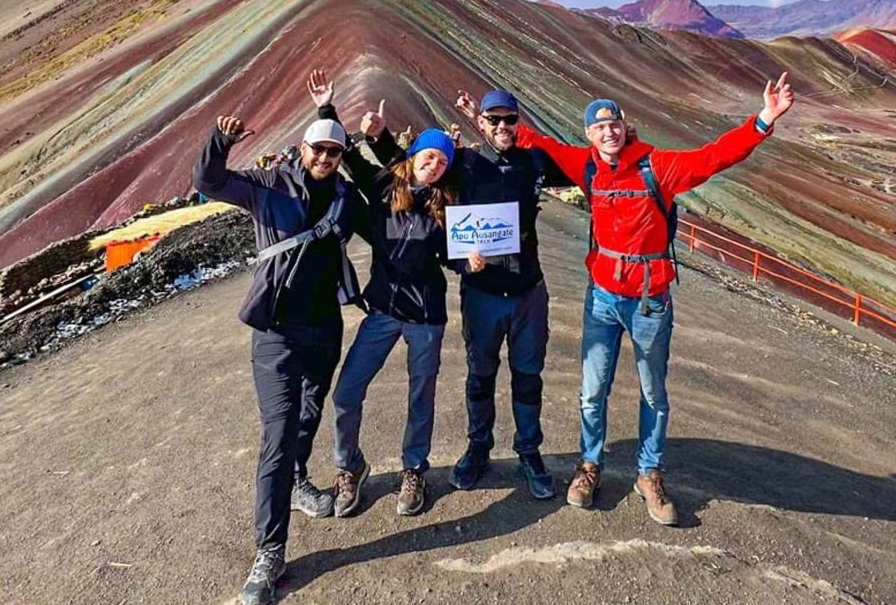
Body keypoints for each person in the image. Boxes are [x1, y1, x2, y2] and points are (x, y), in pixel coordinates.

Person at [508, 73, 796, 526]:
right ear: (589, 135)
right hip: (602, 295)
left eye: (614, 123)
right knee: (591, 391)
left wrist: (764, 119)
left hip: (649, 300)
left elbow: (714, 157)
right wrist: (485, 121)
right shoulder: (585, 166)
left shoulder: (656, 166)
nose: (608, 131)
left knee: (653, 392)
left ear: (625, 127)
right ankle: (589, 466)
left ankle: (649, 473)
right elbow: (538, 142)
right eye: (599, 127)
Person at [192, 107, 367, 605]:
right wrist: (218, 143)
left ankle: (298, 478)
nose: (326, 158)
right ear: (302, 148)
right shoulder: (267, 185)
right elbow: (209, 181)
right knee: (278, 430)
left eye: (335, 151)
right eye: (319, 149)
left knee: (311, 411)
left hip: (323, 327)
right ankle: (270, 552)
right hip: (276, 333)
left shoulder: (344, 197)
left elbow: (382, 223)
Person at [306, 70, 473, 519]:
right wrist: (327, 108)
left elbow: (452, 256)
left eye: (442, 160)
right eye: (428, 155)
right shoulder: (383, 187)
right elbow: (349, 161)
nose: (433, 164)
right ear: (414, 155)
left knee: (421, 395)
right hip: (382, 310)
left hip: (426, 317)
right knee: (347, 393)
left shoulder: (447, 204)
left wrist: (469, 262)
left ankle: (414, 469)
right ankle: (349, 466)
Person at [417, 88, 571, 499]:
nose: (503, 127)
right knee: (480, 375)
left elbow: (586, 166)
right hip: (482, 292)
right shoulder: (464, 163)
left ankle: (529, 451)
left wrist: (625, 139)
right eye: (494, 120)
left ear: (519, 123)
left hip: (528, 292)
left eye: (510, 120)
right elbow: (418, 169)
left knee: (528, 375)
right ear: (481, 123)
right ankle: (478, 448)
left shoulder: (534, 161)